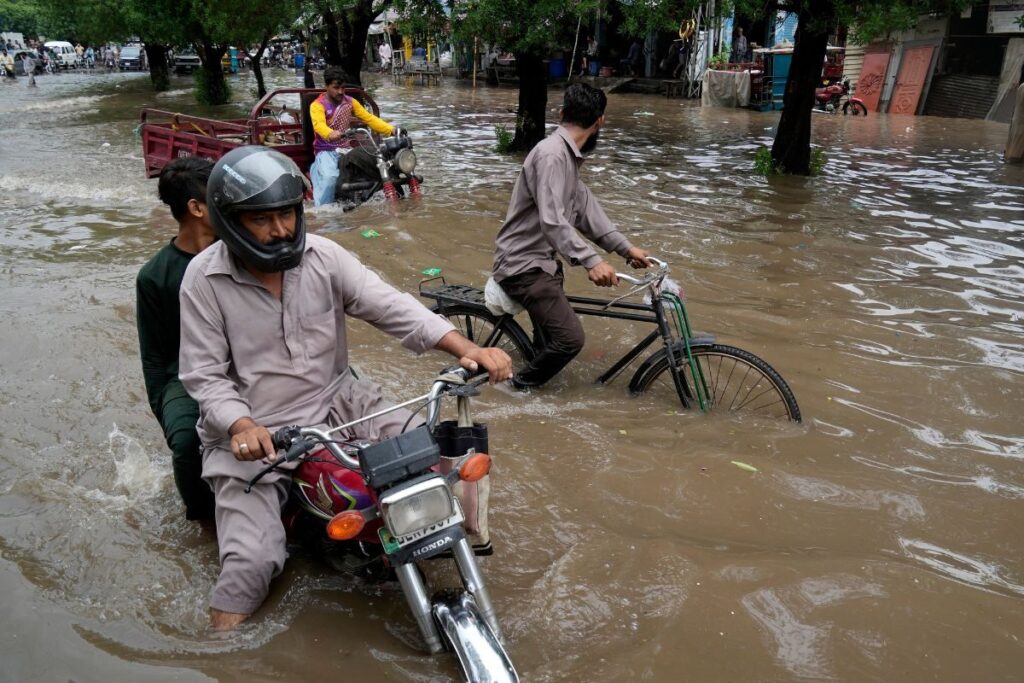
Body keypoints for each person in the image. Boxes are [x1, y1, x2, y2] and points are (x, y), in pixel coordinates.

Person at [179, 147, 512, 629]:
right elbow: (204, 376)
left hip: (341, 404)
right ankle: (220, 647)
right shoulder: (203, 279)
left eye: (287, 214)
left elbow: (390, 306)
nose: (281, 230)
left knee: (436, 469)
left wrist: (465, 347)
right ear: (230, 222)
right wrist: (242, 425)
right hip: (257, 435)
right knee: (252, 563)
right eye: (262, 219)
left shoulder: (324, 256)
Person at [491, 82, 651, 391]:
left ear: (562, 113)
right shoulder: (551, 155)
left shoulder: (567, 159)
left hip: (544, 265)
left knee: (548, 345)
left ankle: (535, 390)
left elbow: (589, 214)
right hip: (523, 266)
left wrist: (627, 249)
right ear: (600, 121)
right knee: (570, 340)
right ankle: (513, 390)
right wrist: (592, 261)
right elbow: (553, 221)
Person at [136, 158, 218, 521]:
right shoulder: (155, 276)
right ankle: (203, 518)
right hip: (185, 375)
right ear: (196, 208)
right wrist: (167, 412)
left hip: (246, 359)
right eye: (219, 198)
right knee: (187, 441)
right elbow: (155, 359)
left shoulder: (242, 252)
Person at [308, 66, 399, 206]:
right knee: (330, 179)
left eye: (343, 88)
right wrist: (330, 133)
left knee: (377, 168)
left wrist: (391, 130)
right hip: (326, 151)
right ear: (326, 86)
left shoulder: (350, 102)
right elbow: (319, 125)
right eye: (336, 87)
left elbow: (369, 118)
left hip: (346, 149)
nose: (340, 91)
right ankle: (323, 211)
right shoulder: (317, 105)